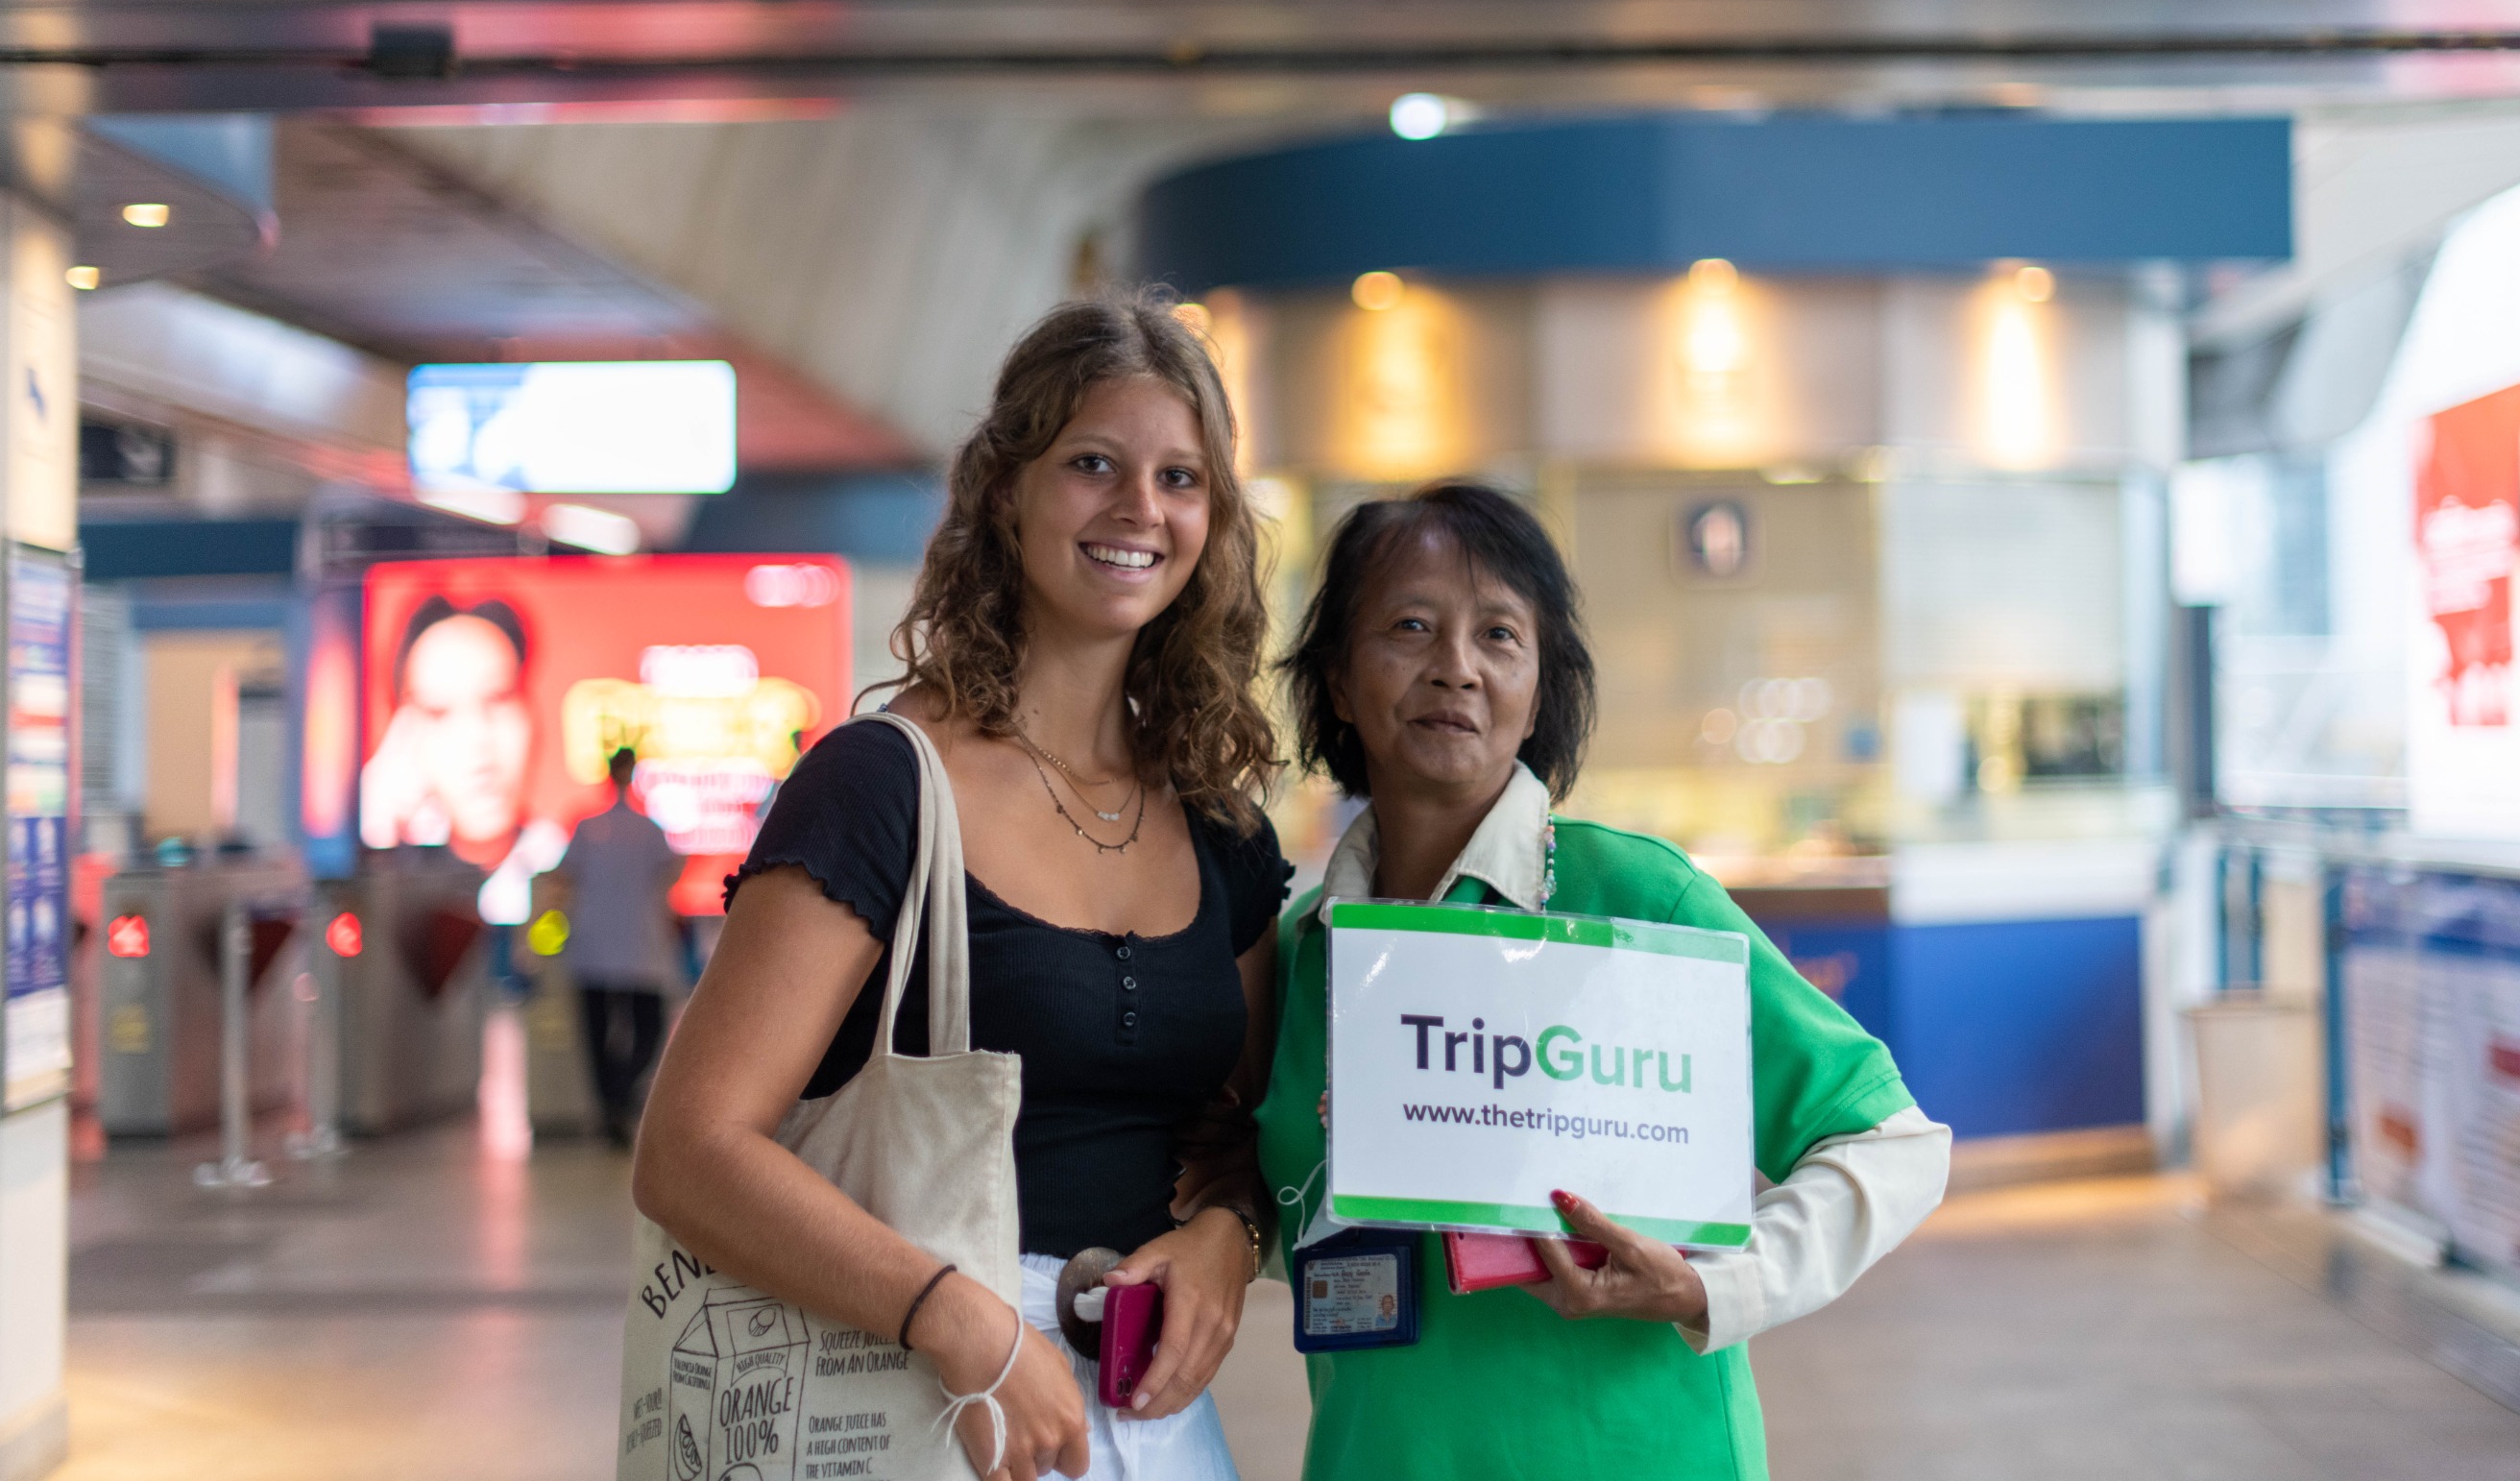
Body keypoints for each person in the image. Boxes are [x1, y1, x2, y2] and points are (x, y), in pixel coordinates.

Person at [637, 294, 1288, 1481]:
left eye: (1181, 477)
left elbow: (1249, 1128)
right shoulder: (884, 783)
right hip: (913, 1387)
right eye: (1094, 462)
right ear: (1006, 489)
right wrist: (959, 1316)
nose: (1140, 507)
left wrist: (1225, 1237)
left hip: (1152, 1416)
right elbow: (687, 1148)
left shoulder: (1216, 821)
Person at [1257, 483, 1951, 1479]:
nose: (1455, 665)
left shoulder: (1638, 900)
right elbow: (1274, 1214)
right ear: (1335, 678)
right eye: (1411, 625)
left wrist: (1718, 1283)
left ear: (1538, 687)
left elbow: (1895, 1145)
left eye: (1499, 633)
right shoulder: (1299, 953)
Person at [357, 595, 567, 926]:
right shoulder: (390, 873)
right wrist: (376, 835)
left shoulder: (573, 867)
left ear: (533, 714)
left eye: (498, 699)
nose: (476, 739)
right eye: (438, 712)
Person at [561, 745, 682, 1148]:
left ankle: (613, 1101)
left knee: (601, 1034)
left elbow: (565, 881)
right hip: (635, 947)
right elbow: (669, 878)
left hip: (598, 946)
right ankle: (619, 1099)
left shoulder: (590, 829)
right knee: (646, 1029)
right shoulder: (648, 831)